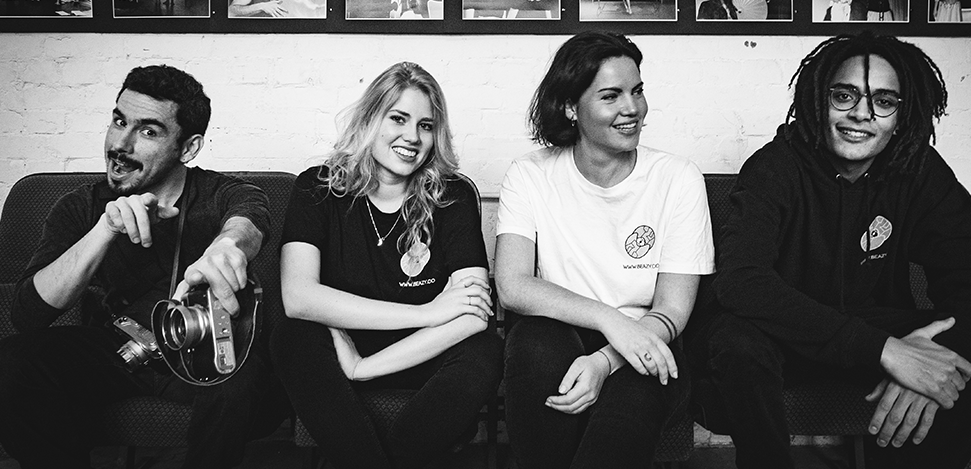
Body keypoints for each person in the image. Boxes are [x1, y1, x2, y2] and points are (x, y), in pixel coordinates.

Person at [685, 31, 971, 469]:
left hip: (868, 326)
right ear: (819, 98)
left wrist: (927, 364)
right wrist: (887, 351)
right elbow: (742, 282)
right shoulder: (775, 166)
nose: (861, 114)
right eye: (845, 95)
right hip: (782, 335)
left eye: (884, 101)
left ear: (903, 114)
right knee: (737, 340)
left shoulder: (919, 171)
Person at [0, 65, 276, 468]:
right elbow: (28, 315)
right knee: (11, 364)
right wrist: (105, 228)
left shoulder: (225, 193)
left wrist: (227, 246)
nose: (121, 144)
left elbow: (246, 223)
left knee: (239, 382)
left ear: (188, 148)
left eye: (148, 131)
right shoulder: (80, 206)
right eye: (118, 121)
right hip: (121, 346)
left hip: (205, 351)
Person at [496, 31, 715, 469]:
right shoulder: (530, 175)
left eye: (637, 92)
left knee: (639, 385)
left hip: (649, 341)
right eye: (611, 96)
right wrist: (610, 321)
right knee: (535, 343)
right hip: (562, 335)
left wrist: (607, 357)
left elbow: (672, 311)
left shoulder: (677, 178)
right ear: (571, 108)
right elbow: (513, 286)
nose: (631, 109)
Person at [270, 62, 503, 469]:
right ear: (369, 119)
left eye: (426, 125)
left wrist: (364, 369)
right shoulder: (317, 188)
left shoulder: (453, 195)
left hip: (423, 354)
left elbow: (471, 317)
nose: (412, 137)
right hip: (344, 352)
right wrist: (426, 311)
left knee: (484, 349)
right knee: (293, 337)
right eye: (398, 118)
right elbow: (299, 297)